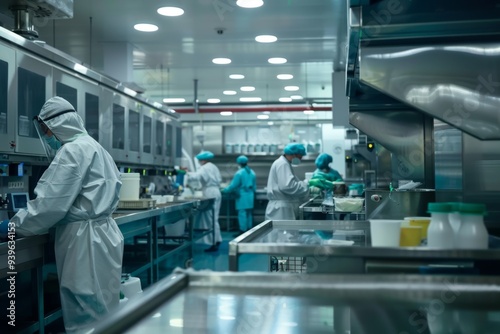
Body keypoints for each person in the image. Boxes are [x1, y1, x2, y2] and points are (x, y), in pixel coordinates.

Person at [9, 97, 124, 333]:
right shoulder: (96, 147)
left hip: (84, 241)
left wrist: (12, 225)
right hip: (105, 235)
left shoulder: (71, 152)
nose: (46, 136)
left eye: (45, 130)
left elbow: (49, 207)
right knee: (104, 306)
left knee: (85, 309)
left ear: (57, 125)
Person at [186, 151, 223, 252]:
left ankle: (214, 242)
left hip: (210, 192)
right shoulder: (213, 166)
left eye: (199, 161)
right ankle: (217, 239)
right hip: (216, 192)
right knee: (214, 217)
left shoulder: (204, 168)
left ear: (202, 160)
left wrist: (185, 173)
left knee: (211, 218)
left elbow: (196, 177)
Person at [265, 143, 310, 220]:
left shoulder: (284, 163)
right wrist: (306, 184)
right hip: (281, 210)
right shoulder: (283, 164)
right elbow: (288, 186)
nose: (300, 159)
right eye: (300, 157)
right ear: (294, 154)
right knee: (283, 231)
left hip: (282, 208)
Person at [222, 155, 256, 237]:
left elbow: (233, 185)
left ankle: (243, 231)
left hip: (242, 196)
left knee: (242, 213)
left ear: (239, 163)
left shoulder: (239, 173)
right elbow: (254, 186)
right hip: (250, 195)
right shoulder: (252, 172)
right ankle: (249, 231)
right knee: (248, 214)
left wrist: (224, 190)